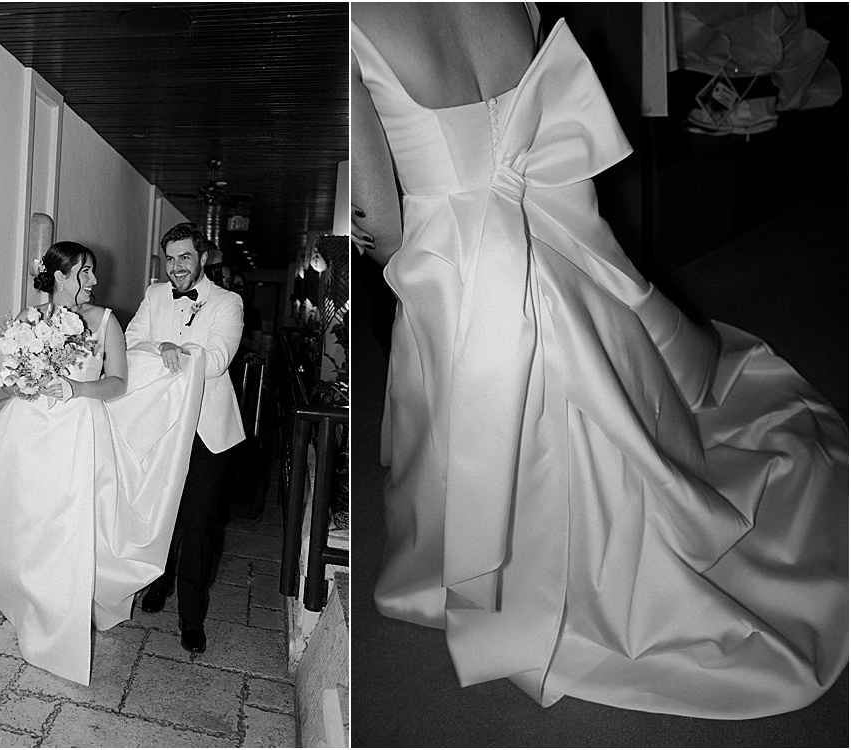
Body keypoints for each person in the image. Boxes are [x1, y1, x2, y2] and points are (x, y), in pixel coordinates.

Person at [353, 2, 847, 718]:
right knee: (610, 368)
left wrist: (403, 260)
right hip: (556, 224)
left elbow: (382, 220)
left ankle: (518, 571)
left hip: (457, 265)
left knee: (472, 389)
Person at [0, 241, 129, 685]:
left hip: (78, 431)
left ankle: (59, 623)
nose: (93, 282)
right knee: (29, 521)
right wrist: (25, 382)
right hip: (29, 432)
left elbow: (117, 383)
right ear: (60, 278)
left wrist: (76, 389)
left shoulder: (104, 321)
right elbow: (9, 377)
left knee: (69, 525)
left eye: (93, 273)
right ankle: (28, 600)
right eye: (84, 273)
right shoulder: (28, 320)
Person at [129, 222, 246, 653]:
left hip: (207, 430)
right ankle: (159, 582)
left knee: (197, 522)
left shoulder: (228, 302)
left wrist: (180, 352)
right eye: (170, 258)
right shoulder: (154, 295)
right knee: (161, 512)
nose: (176, 267)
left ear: (203, 258)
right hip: (161, 423)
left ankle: (192, 617)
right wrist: (160, 348)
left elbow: (216, 360)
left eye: (185, 258)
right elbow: (131, 339)